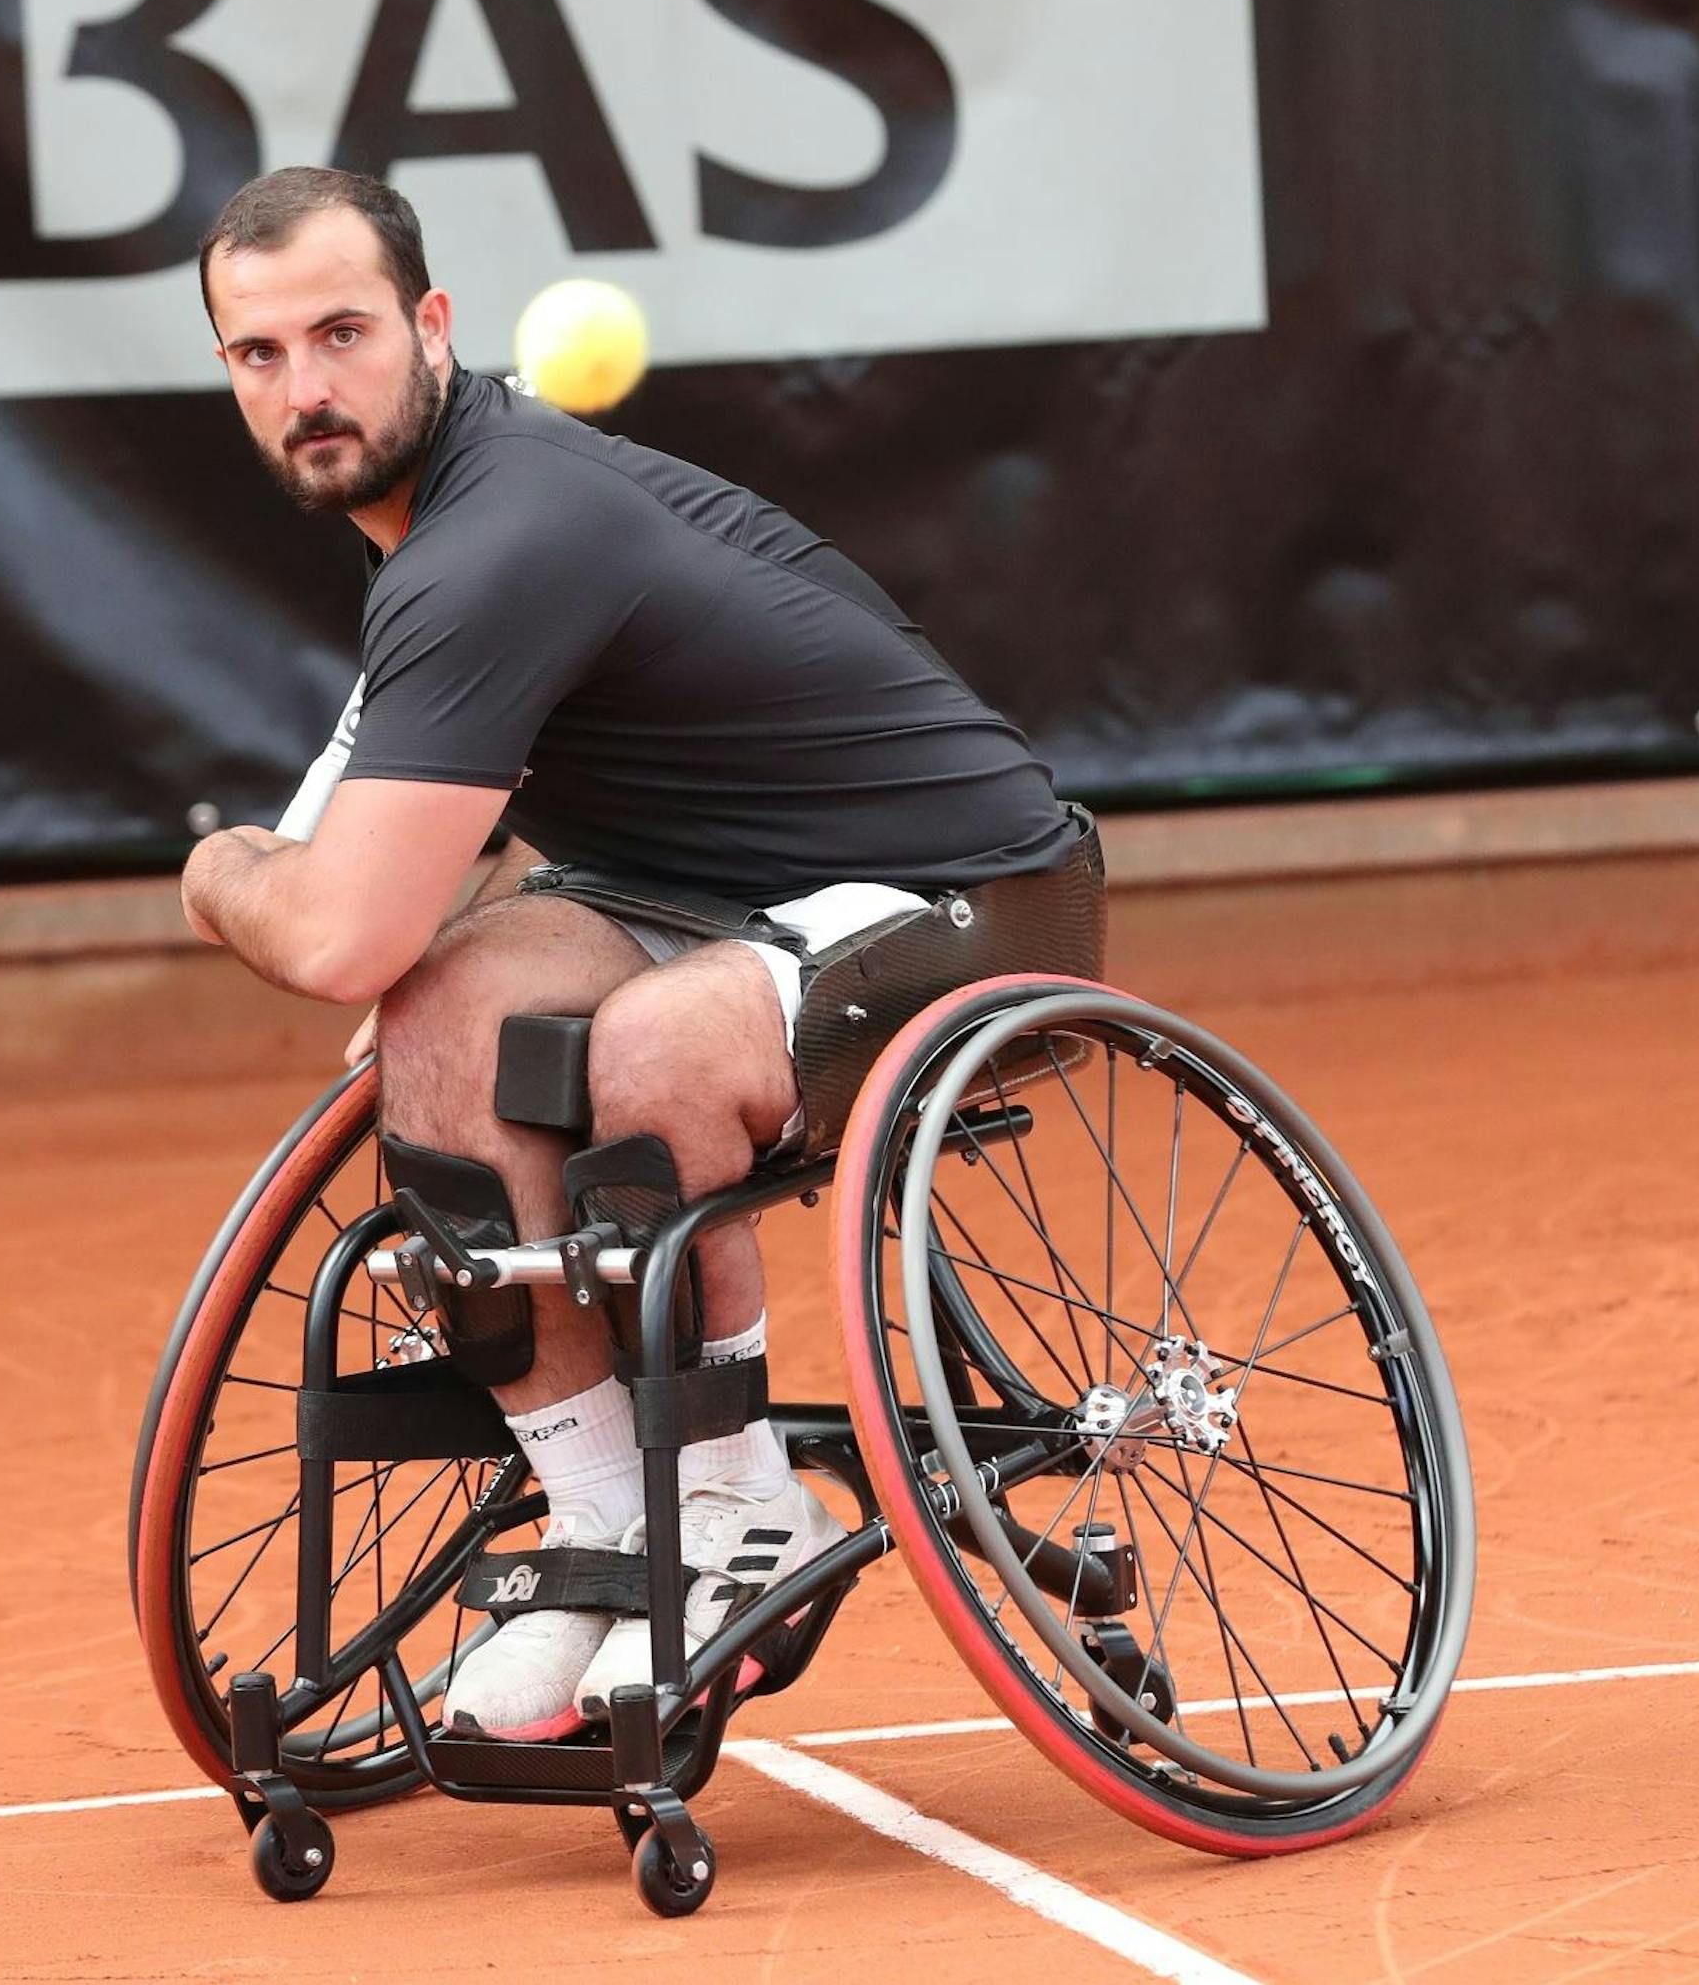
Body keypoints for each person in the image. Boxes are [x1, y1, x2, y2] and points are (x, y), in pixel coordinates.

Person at [178, 166, 1087, 1741]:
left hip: (967, 886)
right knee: (445, 1022)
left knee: (646, 1049)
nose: (307, 390)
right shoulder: (438, 536)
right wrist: (400, 951)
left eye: (341, 333)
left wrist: (214, 872)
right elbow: (382, 923)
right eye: (261, 356)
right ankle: (609, 1523)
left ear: (431, 324)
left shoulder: (499, 540)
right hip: (692, 888)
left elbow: (328, 927)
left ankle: (741, 1512)